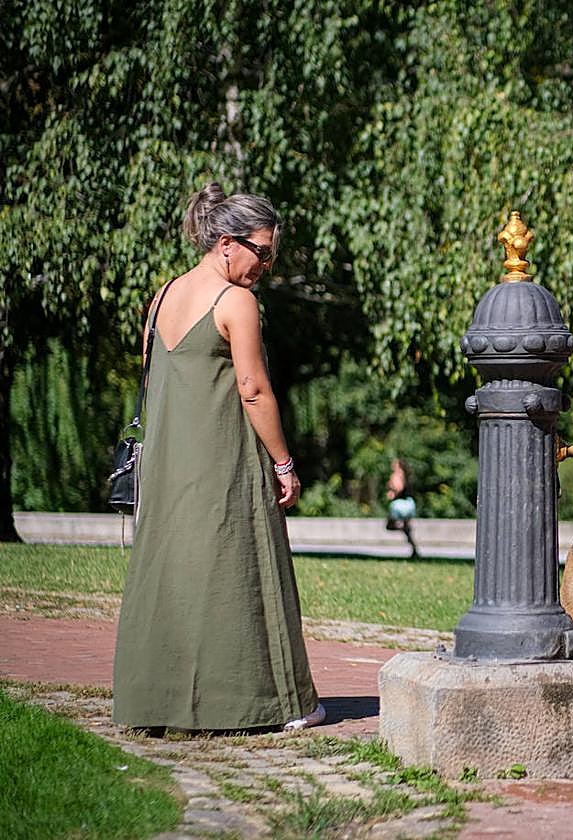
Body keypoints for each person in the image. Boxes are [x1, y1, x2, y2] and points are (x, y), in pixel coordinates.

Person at [112, 182, 324, 732]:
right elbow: (253, 389)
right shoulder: (236, 302)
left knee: (172, 573)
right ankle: (272, 704)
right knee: (239, 569)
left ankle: (153, 701)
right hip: (223, 457)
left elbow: (156, 377)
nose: (266, 265)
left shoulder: (162, 296)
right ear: (226, 243)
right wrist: (283, 462)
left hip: (166, 461)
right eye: (262, 251)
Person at [385, 457, 420, 558]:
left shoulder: (396, 474)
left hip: (399, 506)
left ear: (398, 465)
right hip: (410, 504)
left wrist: (392, 493)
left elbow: (398, 487)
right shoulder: (406, 475)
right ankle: (414, 550)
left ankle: (402, 527)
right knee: (407, 531)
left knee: (389, 526)